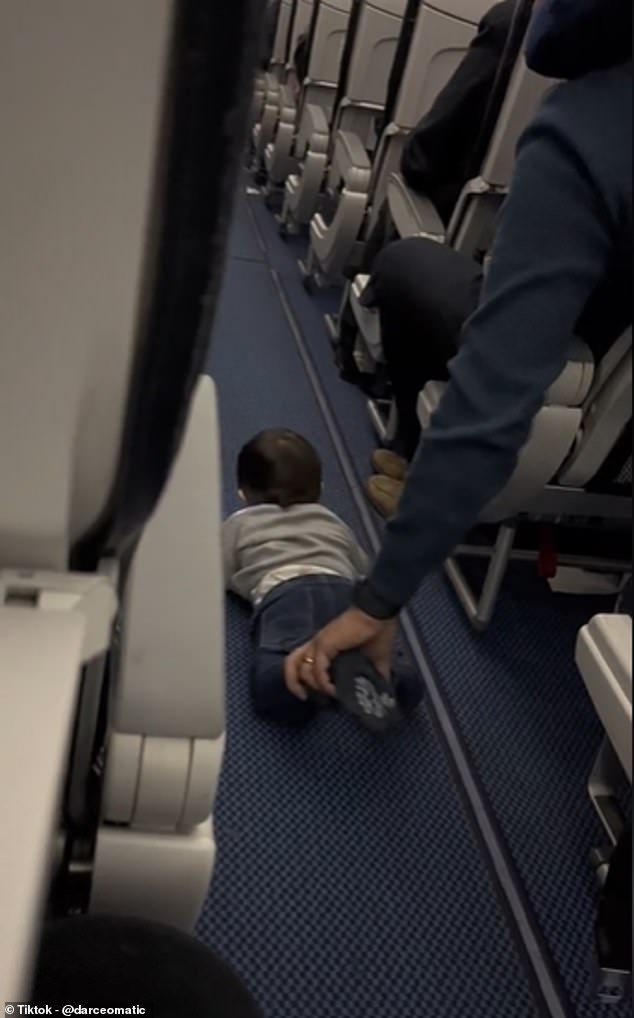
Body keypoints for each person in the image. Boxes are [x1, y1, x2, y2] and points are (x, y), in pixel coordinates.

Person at [285, 0, 632, 696]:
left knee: (410, 263)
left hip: (561, 357)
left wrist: (378, 599)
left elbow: (493, 398)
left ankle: (414, 449)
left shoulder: (591, 127)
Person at [335, 0, 516, 390]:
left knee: (410, 182)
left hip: (482, 270)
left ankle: (358, 329)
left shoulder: (514, 25)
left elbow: (422, 157)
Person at [223, 428, 423, 728]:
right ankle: (395, 679)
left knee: (271, 675)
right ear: (320, 488)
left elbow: (220, 571)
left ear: (243, 493)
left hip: (286, 595)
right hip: (344, 590)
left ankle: (304, 684)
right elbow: (361, 565)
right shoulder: (333, 521)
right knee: (373, 649)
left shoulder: (238, 524)